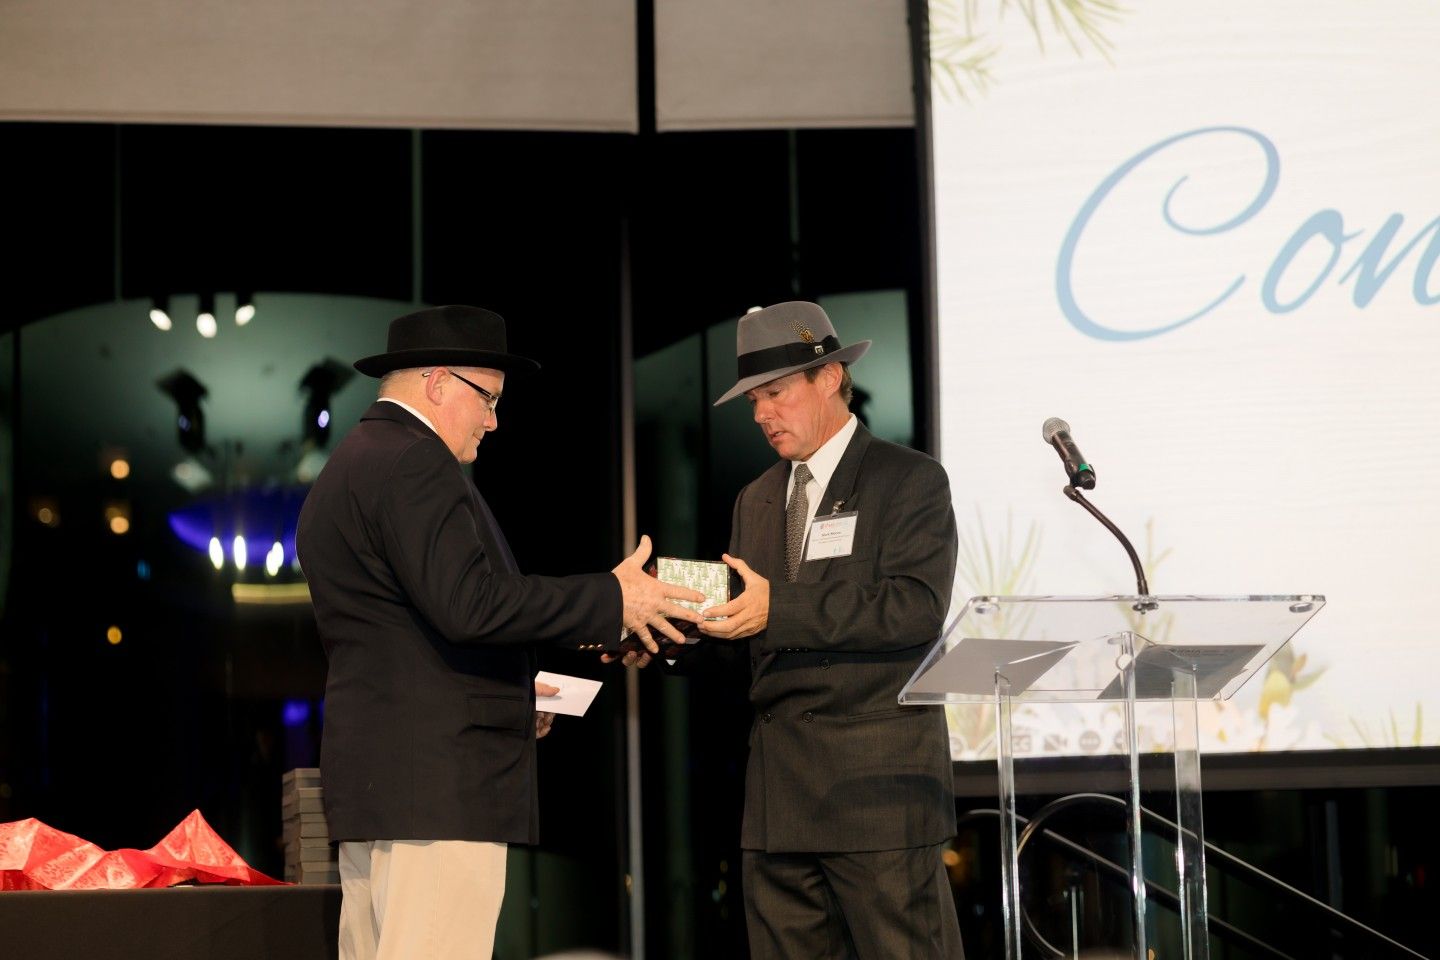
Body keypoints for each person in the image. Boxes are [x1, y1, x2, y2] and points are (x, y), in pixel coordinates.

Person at [295, 304, 702, 960]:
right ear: (437, 383)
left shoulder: (347, 468)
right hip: (439, 796)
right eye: (487, 399)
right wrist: (612, 595)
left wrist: (518, 691)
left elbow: (408, 632)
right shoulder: (414, 462)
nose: (494, 419)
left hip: (379, 791)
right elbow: (469, 604)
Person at [698, 301, 964, 959]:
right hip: (777, 805)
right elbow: (751, 641)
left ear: (830, 376)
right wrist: (674, 639)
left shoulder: (908, 480)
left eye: (775, 392)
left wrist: (776, 609)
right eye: (753, 399)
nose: (761, 413)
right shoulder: (755, 498)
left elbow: (913, 607)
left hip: (878, 796)